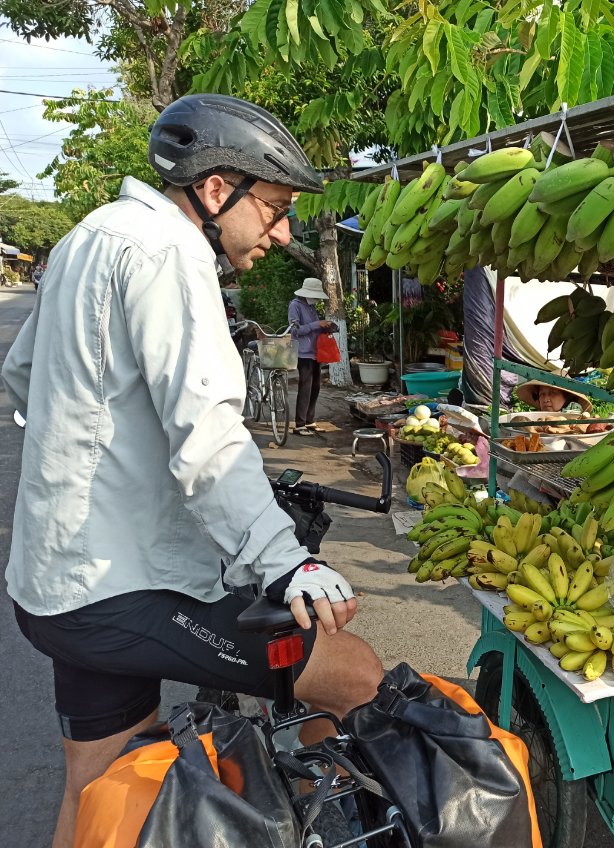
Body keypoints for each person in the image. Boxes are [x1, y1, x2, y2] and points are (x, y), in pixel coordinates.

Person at [2, 93, 382, 848]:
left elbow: (22, 376)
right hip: (119, 590)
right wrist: (287, 565)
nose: (280, 233)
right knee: (353, 676)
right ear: (216, 190)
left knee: (100, 783)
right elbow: (210, 437)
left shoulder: (89, 237)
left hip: (56, 587)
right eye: (273, 209)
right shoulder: (170, 253)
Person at [289, 277, 336, 436]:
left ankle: (310, 420)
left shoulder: (310, 307)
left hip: (316, 351)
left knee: (316, 386)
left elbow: (313, 329)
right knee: (305, 387)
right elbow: (295, 330)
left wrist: (326, 327)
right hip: (303, 353)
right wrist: (318, 324)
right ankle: (300, 424)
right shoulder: (295, 306)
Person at [514, 378, 593, 414]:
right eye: (542, 394)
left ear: (566, 397)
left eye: (552, 393)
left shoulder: (574, 417)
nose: (545, 399)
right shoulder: (536, 421)